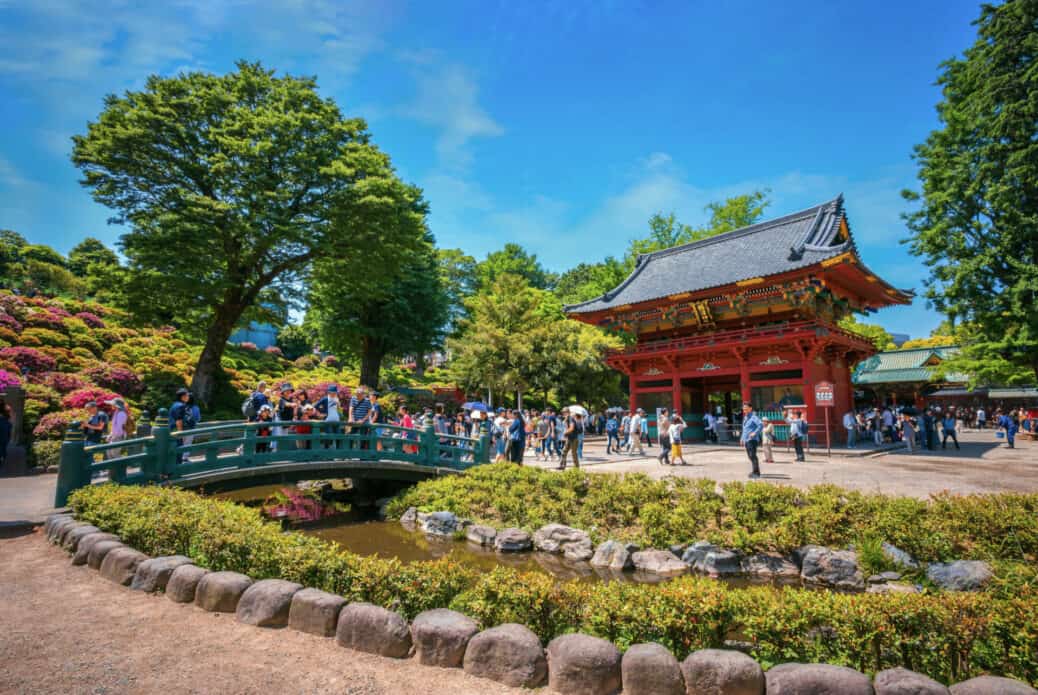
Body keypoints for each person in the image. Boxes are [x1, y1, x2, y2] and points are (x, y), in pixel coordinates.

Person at [169, 388, 195, 463]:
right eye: (187, 395)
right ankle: (176, 470)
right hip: (177, 431)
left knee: (175, 451)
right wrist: (181, 433)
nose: (188, 397)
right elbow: (179, 420)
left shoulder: (174, 404)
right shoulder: (181, 406)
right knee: (178, 452)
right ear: (183, 396)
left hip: (172, 430)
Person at [740, 403, 763, 478]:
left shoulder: (753, 417)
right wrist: (742, 439)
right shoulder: (746, 418)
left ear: (750, 408)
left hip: (752, 440)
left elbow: (761, 425)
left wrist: (755, 433)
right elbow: (745, 430)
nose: (744, 410)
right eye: (743, 409)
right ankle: (754, 470)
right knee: (750, 456)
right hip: (747, 440)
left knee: (753, 456)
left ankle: (756, 472)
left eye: (746, 408)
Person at [0, 397, 11, 471]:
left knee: (3, 445)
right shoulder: (6, 408)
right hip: (4, 426)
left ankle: (2, 457)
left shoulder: (6, 408)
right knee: (3, 445)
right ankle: (2, 457)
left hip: (4, 426)